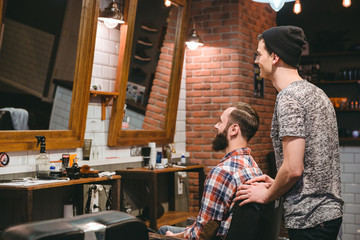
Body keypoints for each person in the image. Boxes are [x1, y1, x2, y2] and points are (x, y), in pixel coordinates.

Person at [235, 26, 343, 240]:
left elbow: (293, 168)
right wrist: (276, 182)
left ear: (275, 57)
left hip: (309, 218)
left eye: (259, 54)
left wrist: (267, 194)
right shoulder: (318, 93)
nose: (256, 60)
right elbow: (311, 162)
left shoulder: (289, 98)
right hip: (328, 215)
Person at [158, 102, 262, 239]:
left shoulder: (222, 173)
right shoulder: (254, 167)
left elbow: (202, 235)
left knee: (162, 231)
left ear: (234, 129)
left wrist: (174, 237)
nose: (216, 126)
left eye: (220, 122)